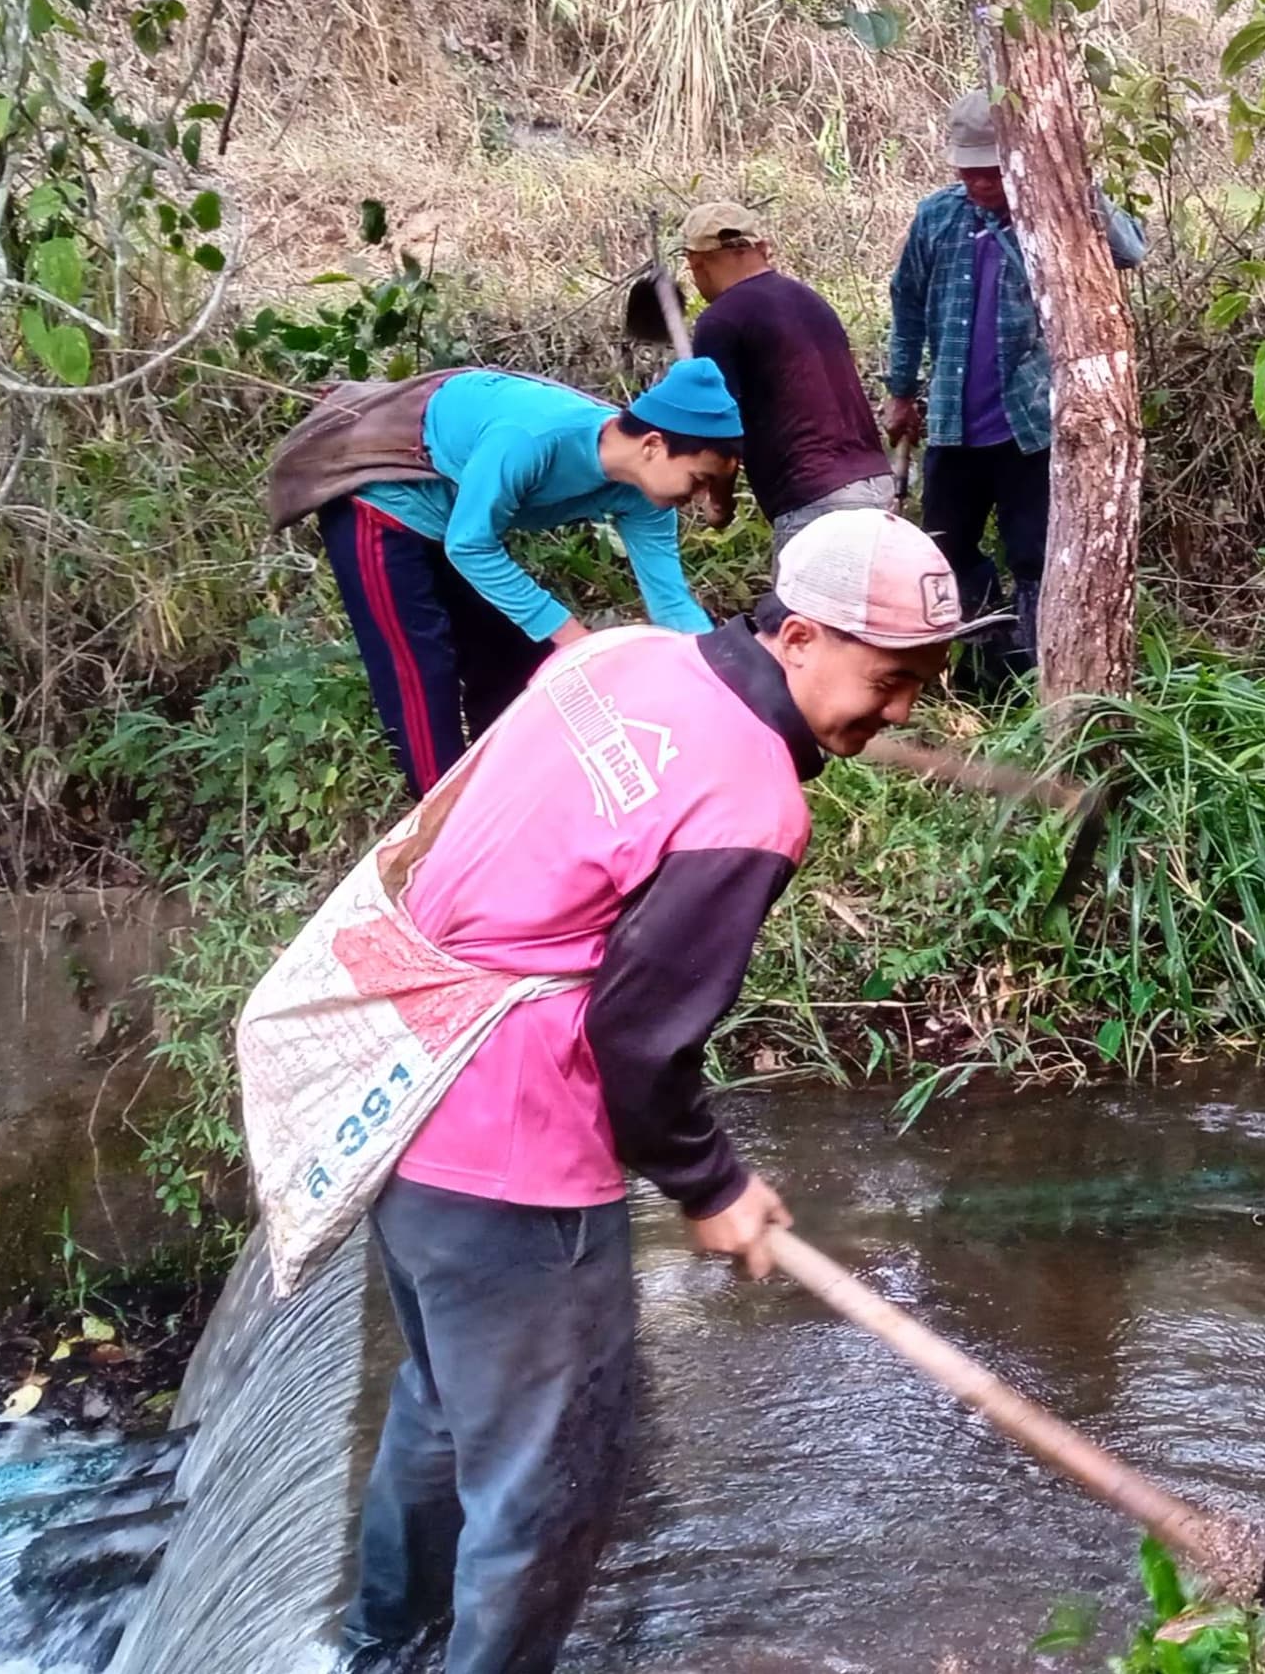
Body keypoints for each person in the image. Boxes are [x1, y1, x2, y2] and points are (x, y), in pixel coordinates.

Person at [336, 507, 975, 1674]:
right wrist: (711, 1180)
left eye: (919, 686)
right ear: (796, 639)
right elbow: (634, 1037)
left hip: (404, 1078)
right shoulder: (752, 806)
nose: (898, 713)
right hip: (515, 1151)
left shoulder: (624, 655)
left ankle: (380, 1645)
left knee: (440, 1405)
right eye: (887, 679)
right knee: (546, 1485)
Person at [264, 359, 743, 792]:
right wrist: (574, 638)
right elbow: (470, 544)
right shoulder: (531, 437)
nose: (700, 499)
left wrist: (729, 682)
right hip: (385, 509)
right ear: (654, 446)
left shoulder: (647, 497)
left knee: (512, 663)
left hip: (456, 518)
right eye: (699, 481)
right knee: (423, 679)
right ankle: (439, 830)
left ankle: (504, 800)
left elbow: (672, 606)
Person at [878, 90, 1149, 695]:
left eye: (991, 171)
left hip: (1030, 428)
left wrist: (1073, 185)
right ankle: (980, 672)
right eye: (967, 170)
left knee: (1034, 555)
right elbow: (908, 305)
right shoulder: (938, 218)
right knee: (946, 547)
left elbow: (1130, 250)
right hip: (953, 423)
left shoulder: (1053, 218)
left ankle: (1035, 677)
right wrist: (901, 390)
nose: (977, 183)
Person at [679, 200, 901, 552]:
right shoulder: (808, 300)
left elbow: (719, 429)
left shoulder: (720, 321)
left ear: (696, 262)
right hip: (875, 482)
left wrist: (719, 500)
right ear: (761, 249)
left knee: (804, 608)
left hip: (815, 497)